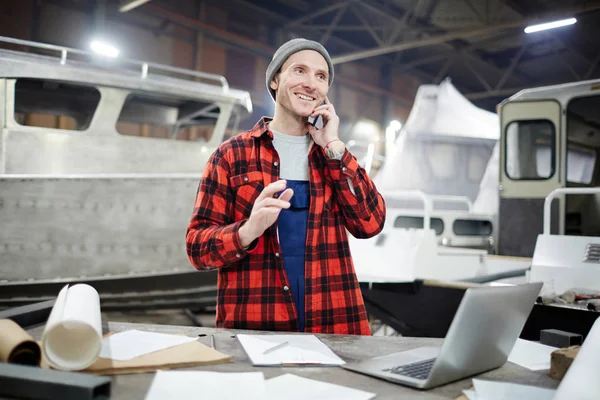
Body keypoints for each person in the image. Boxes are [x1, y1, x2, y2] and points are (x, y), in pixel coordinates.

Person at [186, 38, 386, 335]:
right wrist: (248, 230)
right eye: (299, 71)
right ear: (276, 80)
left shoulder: (332, 156)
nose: (310, 83)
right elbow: (197, 249)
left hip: (335, 327)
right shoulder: (232, 155)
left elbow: (370, 224)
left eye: (321, 76)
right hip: (257, 329)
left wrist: (334, 147)